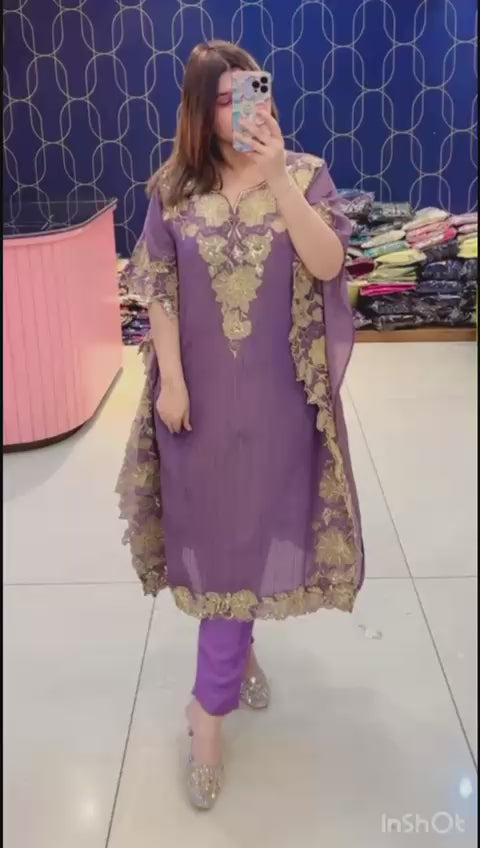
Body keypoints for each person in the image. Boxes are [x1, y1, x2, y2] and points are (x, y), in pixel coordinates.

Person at [116, 39, 364, 810]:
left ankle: (236, 658)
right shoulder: (173, 188)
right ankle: (207, 714)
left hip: (279, 403)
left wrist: (277, 177)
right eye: (221, 101)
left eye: (247, 93)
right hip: (200, 405)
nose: (238, 111)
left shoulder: (305, 174)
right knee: (221, 548)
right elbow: (157, 287)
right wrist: (172, 379)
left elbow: (328, 264)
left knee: (253, 535)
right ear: (198, 110)